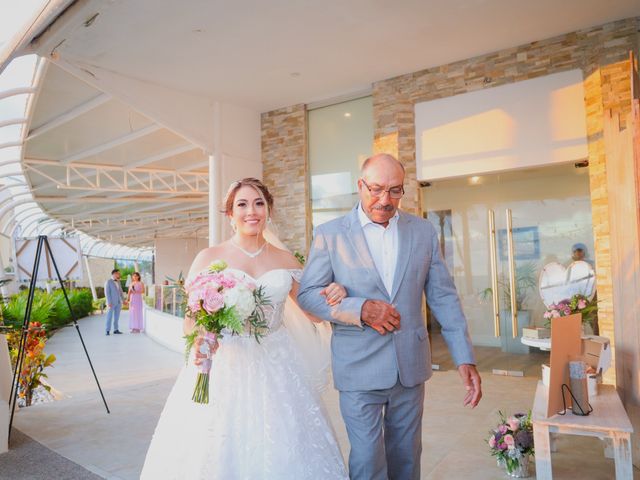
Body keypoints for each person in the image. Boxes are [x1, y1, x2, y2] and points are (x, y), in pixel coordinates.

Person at [141, 178, 349, 479]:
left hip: (276, 364)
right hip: (225, 363)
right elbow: (191, 319)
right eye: (242, 204)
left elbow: (312, 313)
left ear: (268, 210)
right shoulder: (209, 258)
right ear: (229, 214)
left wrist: (335, 293)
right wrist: (200, 341)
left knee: (284, 442)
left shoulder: (285, 260)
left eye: (259, 203)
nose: (251, 211)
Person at [298, 153, 482, 480]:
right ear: (360, 186)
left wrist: (464, 357)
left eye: (395, 191)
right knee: (368, 462)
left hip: (410, 366)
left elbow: (443, 296)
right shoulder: (331, 234)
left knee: (407, 459)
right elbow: (308, 295)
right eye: (377, 189)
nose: (385, 200)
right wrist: (360, 309)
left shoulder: (423, 232)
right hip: (358, 367)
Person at [104, 269, 124, 335]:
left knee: (116, 317)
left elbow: (121, 292)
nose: (119, 275)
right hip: (111, 303)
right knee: (109, 316)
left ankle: (116, 329)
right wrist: (109, 302)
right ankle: (107, 330)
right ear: (114, 273)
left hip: (118, 302)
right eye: (118, 273)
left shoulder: (118, 281)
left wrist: (123, 300)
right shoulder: (108, 281)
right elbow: (107, 293)